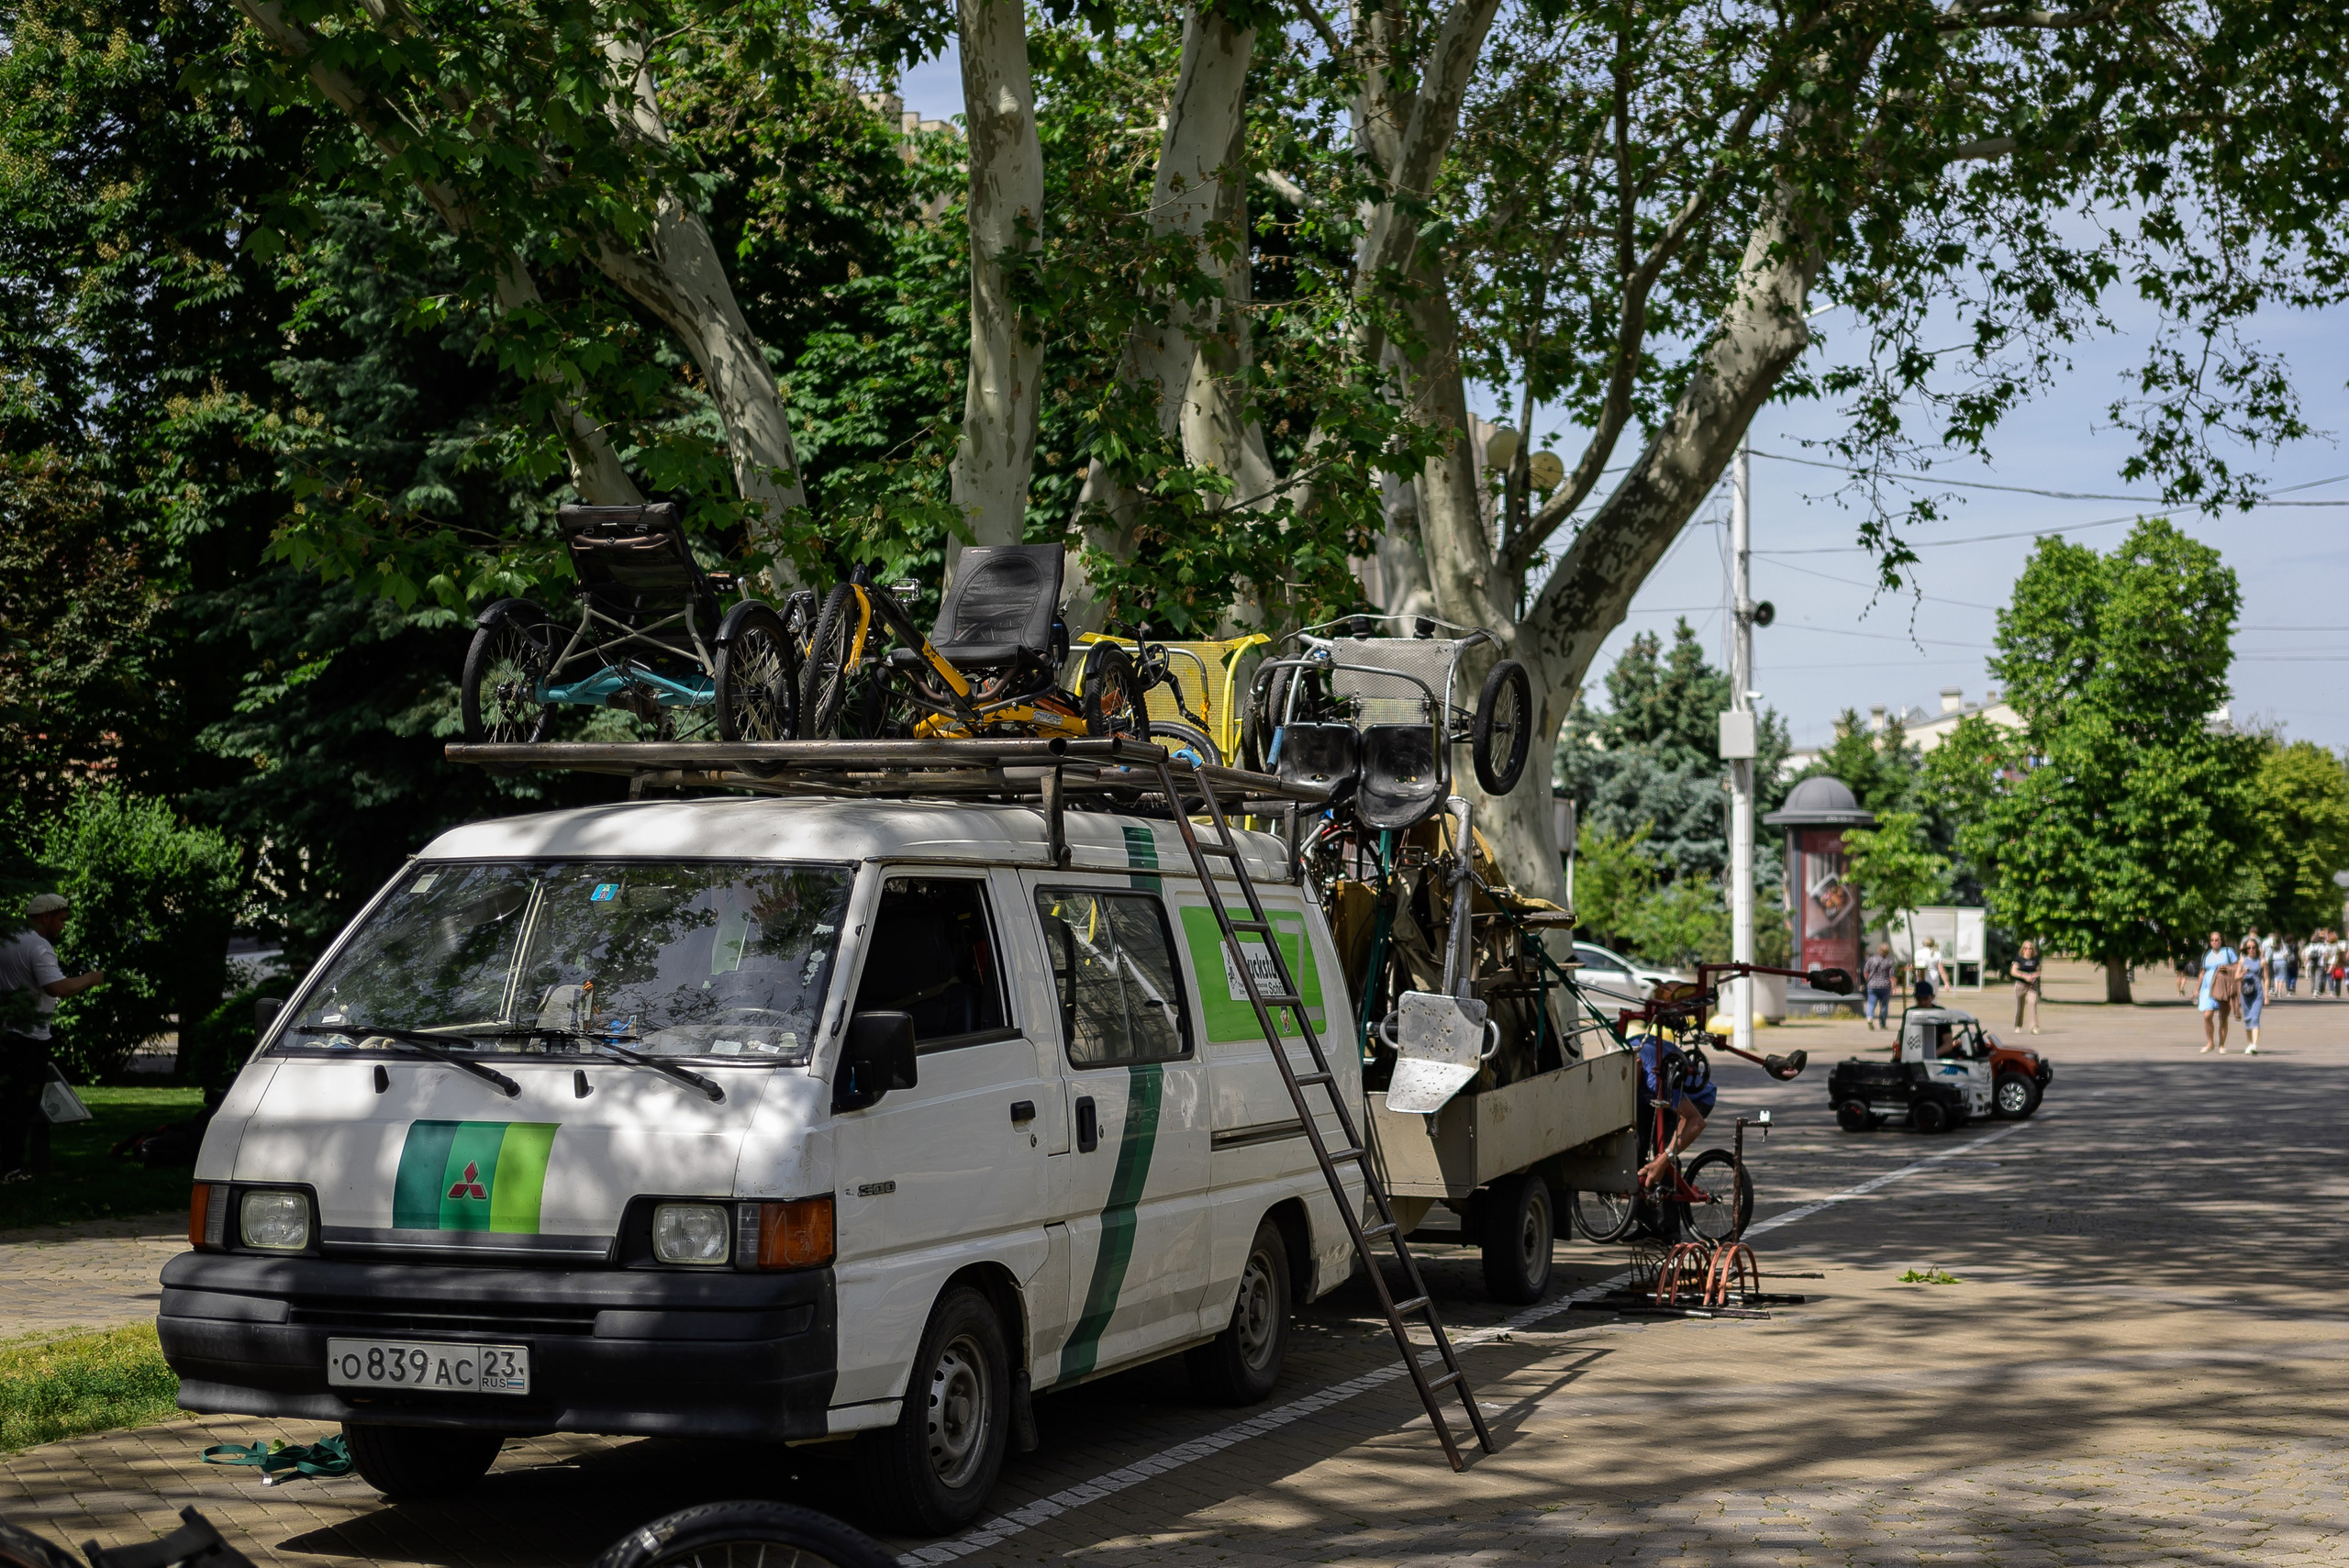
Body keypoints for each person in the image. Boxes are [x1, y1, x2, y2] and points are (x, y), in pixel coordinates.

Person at [0, 894, 107, 1182]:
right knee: (23, 1104)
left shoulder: (10, 940)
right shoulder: (38, 946)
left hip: (8, 1032)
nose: (63, 926)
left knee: (9, 1101)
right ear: (45, 917)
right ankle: (11, 1168)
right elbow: (56, 988)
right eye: (60, 920)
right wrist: (89, 978)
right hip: (30, 1037)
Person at [1635, 1034, 1719, 1191]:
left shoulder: (1655, 1079)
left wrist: (1664, 1159)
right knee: (1635, 1145)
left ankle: (1668, 1210)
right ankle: (1641, 1205)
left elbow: (1696, 1122)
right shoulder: (1623, 1050)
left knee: (1663, 1153)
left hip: (1695, 1101)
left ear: (1638, 1064)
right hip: (1651, 1095)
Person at [2197, 929, 2237, 1053]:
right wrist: (2197, 990)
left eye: (2217, 940)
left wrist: (2227, 967)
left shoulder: (2228, 952)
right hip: (2207, 988)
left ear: (2221, 941)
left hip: (2223, 986)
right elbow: (2202, 973)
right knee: (2207, 1015)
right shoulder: (2207, 954)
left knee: (2223, 1017)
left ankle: (2222, 1045)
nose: (2215, 942)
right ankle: (2210, 1043)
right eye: (2212, 940)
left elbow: (2237, 966)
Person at [2236, 930, 2265, 1053]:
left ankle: (2254, 1045)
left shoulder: (2262, 961)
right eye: (2249, 948)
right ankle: (2249, 1044)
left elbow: (2267, 978)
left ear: (2257, 948)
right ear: (2246, 949)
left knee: (2255, 1018)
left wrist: (2267, 996)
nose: (2251, 950)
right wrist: (2242, 973)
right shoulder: (2242, 961)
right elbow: (2236, 977)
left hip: (2257, 992)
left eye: (2253, 947)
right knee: (2247, 1019)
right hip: (2245, 992)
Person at [1862, 941, 1896, 1029]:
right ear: (1888, 951)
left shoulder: (1872, 959)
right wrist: (1893, 987)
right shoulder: (1890, 961)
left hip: (1872, 985)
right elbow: (1892, 976)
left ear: (1879, 950)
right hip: (1885, 986)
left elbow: (1865, 971)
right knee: (1884, 1006)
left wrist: (1868, 980)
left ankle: (1869, 1017)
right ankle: (1883, 1024)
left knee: (1871, 1003)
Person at [2011, 940, 2043, 1033]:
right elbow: (2013, 971)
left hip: (2032, 986)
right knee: (2020, 1006)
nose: (2028, 950)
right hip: (2021, 985)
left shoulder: (2035, 959)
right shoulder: (2019, 959)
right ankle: (2018, 1025)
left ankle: (2034, 1027)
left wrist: (2033, 976)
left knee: (2032, 1003)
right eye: (2026, 948)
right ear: (2023, 949)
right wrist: (2024, 976)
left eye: (2030, 948)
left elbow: (2038, 971)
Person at [1912, 937, 1944, 1007]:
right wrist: (1946, 982)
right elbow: (1941, 970)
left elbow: (1916, 967)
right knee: (1933, 999)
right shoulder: (1937, 954)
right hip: (1934, 978)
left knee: (1920, 997)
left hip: (1921, 977)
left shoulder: (1918, 953)